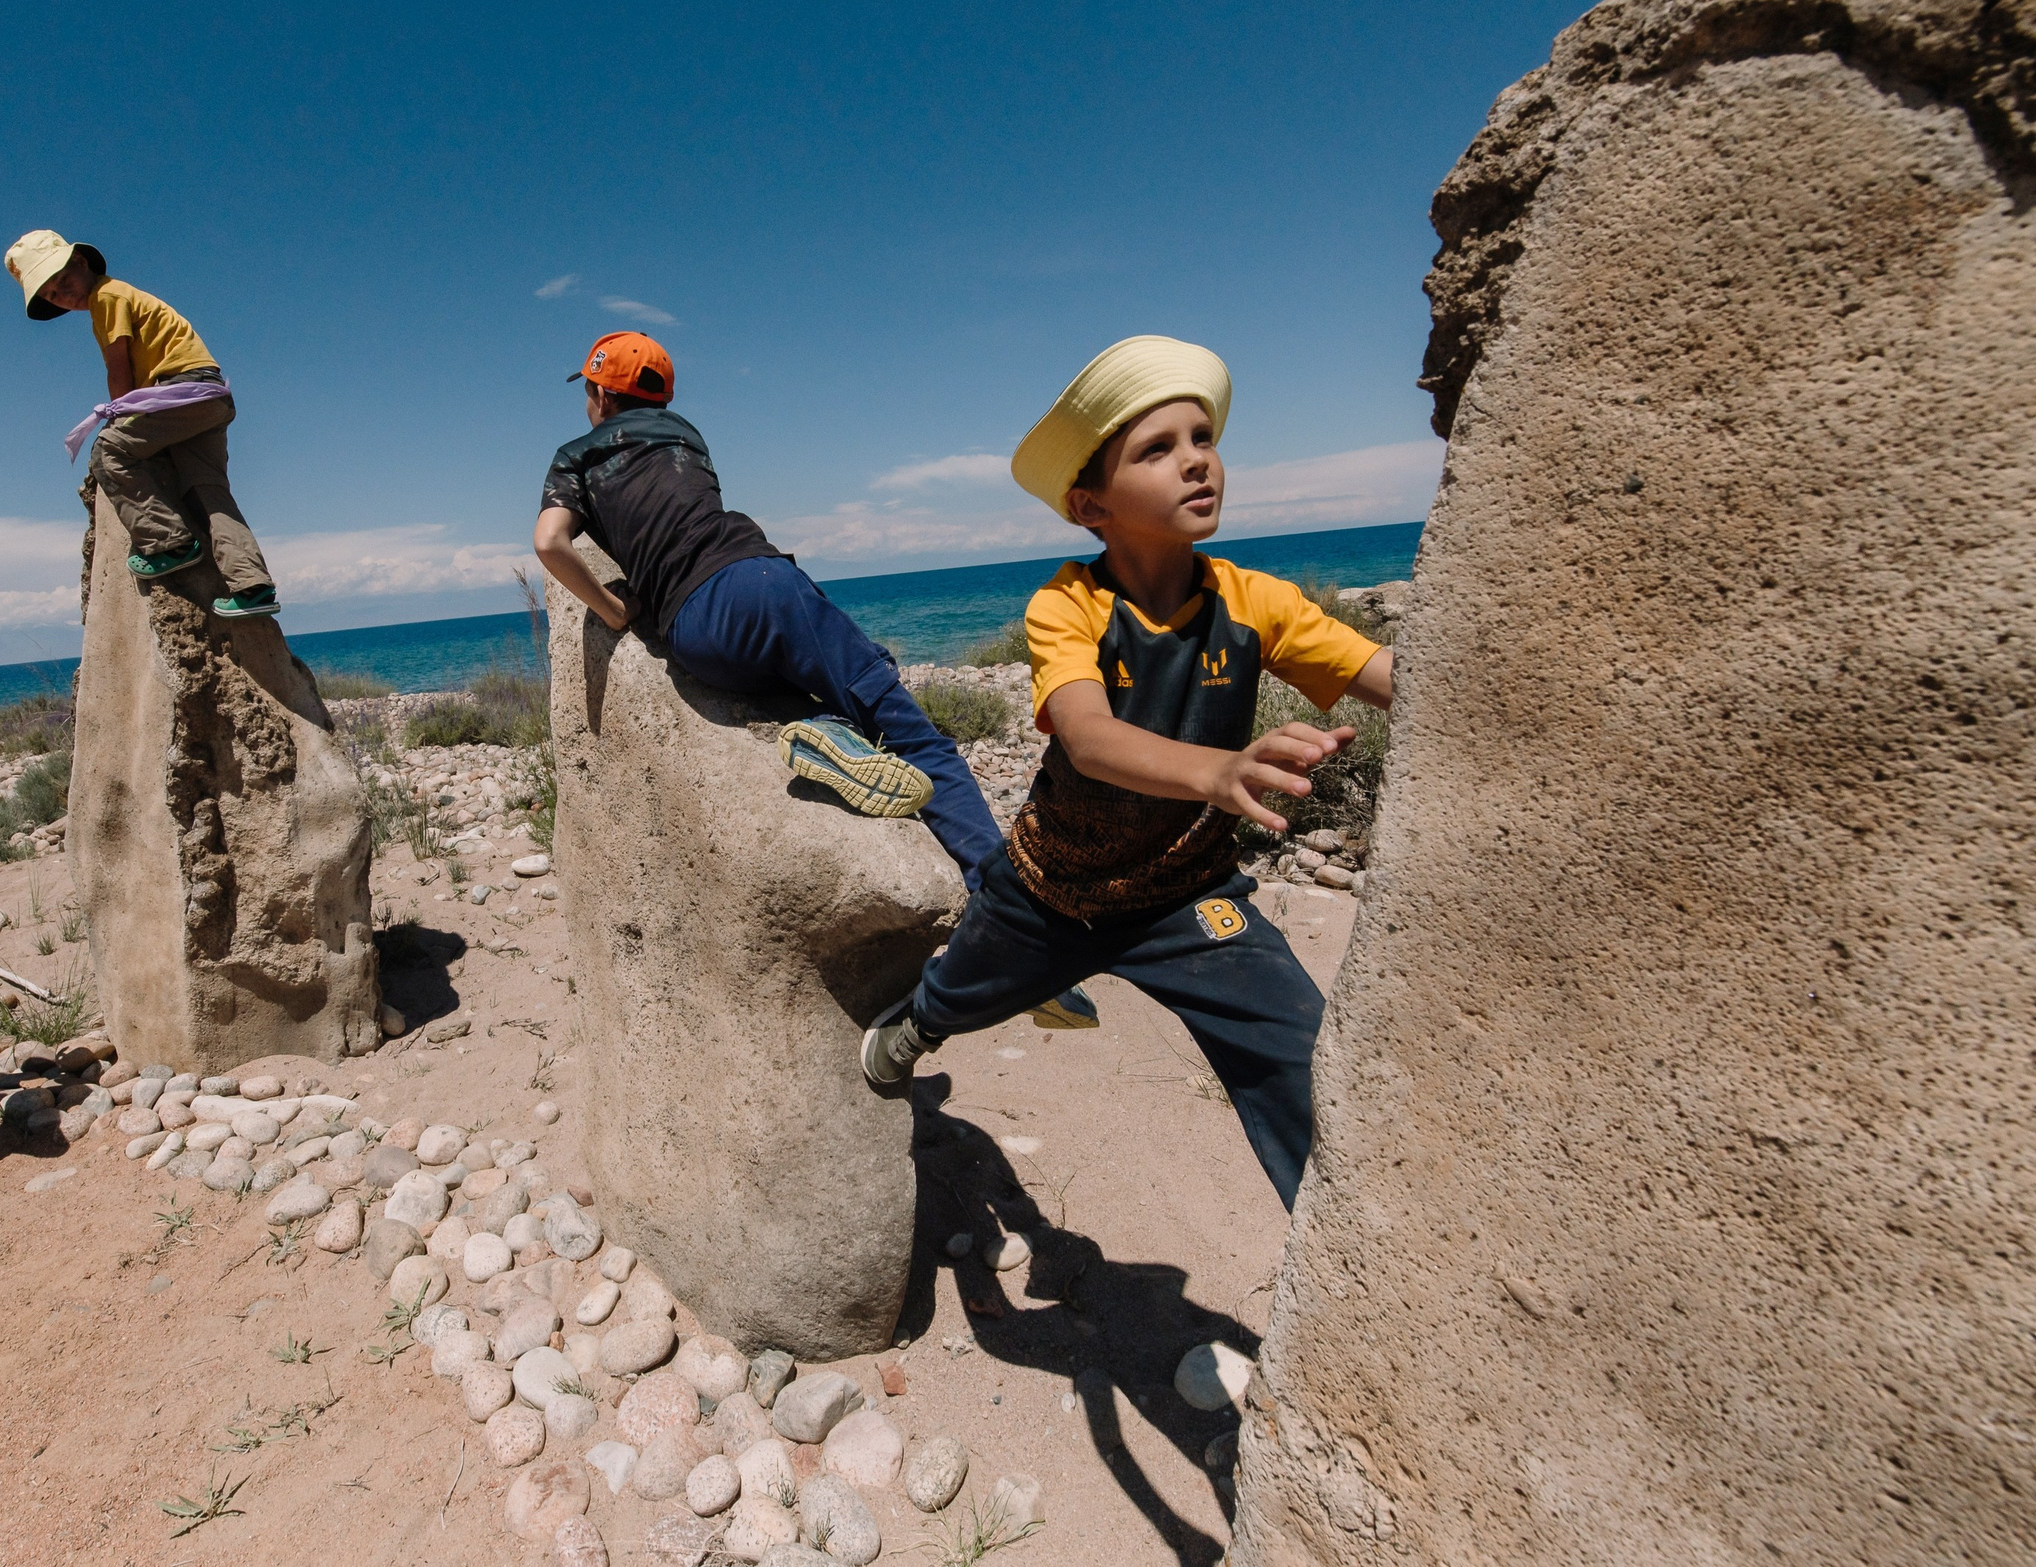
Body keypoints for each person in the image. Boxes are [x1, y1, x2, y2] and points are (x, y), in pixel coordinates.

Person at [859, 336, 1396, 1210]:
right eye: (1158, 449)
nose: (1197, 461)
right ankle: (916, 1025)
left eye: (1203, 438)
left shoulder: (1253, 600)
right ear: (1089, 504)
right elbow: (1088, 738)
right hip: (1048, 891)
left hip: (1184, 899)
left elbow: (1385, 680)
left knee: (1299, 1050)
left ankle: (1343, 1259)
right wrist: (1220, 771)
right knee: (955, 996)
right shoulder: (1067, 605)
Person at [532, 332, 1096, 1029]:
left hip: (695, 634)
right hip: (762, 580)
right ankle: (1016, 935)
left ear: (598, 393)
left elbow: (550, 541)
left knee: (765, 691)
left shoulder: (577, 457)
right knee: (913, 730)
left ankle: (826, 735)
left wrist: (615, 608)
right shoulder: (686, 434)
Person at [3, 229, 282, 619]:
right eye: (51, 294)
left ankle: (169, 543)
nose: (62, 295)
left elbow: (118, 367)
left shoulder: (107, 296)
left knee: (109, 451)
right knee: (207, 491)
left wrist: (118, 417)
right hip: (209, 396)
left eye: (64, 281)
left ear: (82, 264)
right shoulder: (118, 294)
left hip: (181, 390)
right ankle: (253, 586)